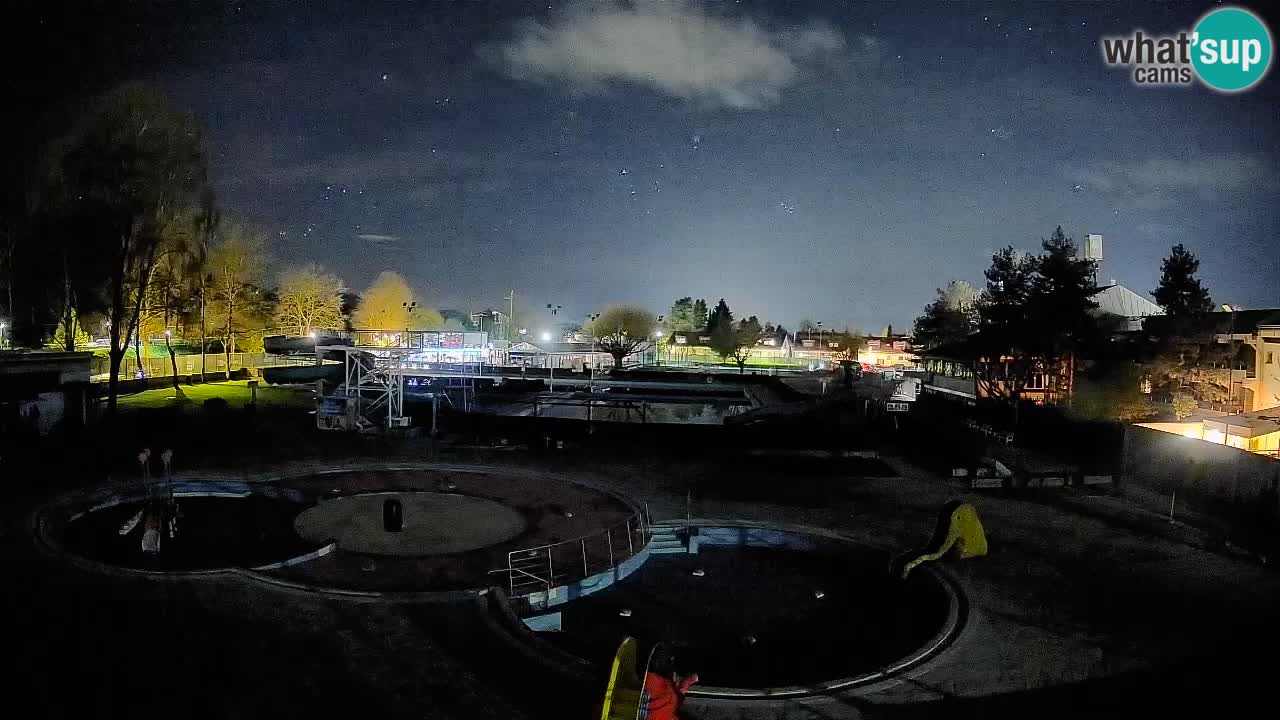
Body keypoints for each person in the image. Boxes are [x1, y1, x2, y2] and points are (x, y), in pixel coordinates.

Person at [639, 644, 697, 720]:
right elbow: (679, 697)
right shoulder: (674, 706)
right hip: (661, 684)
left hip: (652, 686)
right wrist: (688, 681)